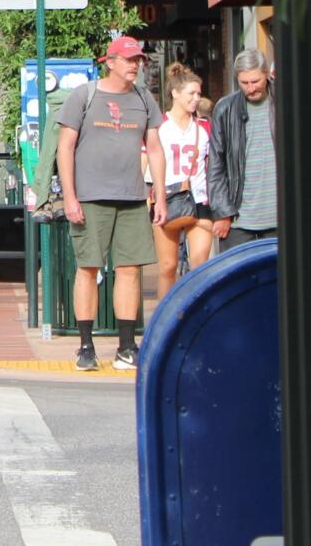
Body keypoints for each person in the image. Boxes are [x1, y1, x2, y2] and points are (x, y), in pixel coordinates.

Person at [55, 34, 167, 372]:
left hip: (132, 197)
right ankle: (86, 346)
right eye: (129, 60)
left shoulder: (144, 98)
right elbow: (65, 148)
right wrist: (70, 196)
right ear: (111, 62)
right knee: (88, 268)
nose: (135, 65)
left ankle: (126, 346)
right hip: (90, 197)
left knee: (130, 270)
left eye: (138, 60)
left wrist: (160, 194)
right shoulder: (84, 96)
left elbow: (156, 148)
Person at [149, 63, 213, 300]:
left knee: (199, 264)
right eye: (191, 94)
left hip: (200, 198)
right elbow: (146, 162)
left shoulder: (204, 126)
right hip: (168, 199)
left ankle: (196, 316)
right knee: (167, 266)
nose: (196, 99)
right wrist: (151, 197)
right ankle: (164, 321)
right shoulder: (159, 126)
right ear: (175, 93)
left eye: (199, 94)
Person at [207, 48, 278, 253]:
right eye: (244, 83)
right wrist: (222, 212)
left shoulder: (287, 101)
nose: (250, 88)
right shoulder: (225, 108)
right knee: (238, 282)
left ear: (266, 74)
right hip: (238, 218)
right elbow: (216, 164)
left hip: (281, 216)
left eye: (255, 81)